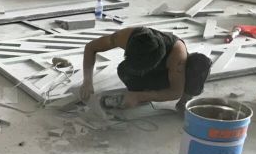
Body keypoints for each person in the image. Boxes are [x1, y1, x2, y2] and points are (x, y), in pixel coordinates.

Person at [80, 26, 212, 110]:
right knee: (123, 71)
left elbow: (175, 92)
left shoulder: (178, 58)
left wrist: (139, 97)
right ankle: (141, 93)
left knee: (198, 67)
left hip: (168, 72)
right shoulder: (124, 37)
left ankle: (185, 101)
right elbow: (91, 47)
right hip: (150, 66)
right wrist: (87, 81)